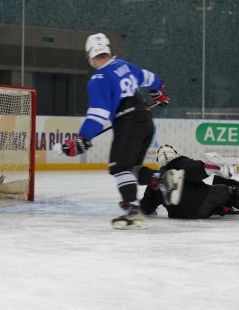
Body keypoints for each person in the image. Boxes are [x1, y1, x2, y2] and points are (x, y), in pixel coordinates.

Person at [59, 33, 185, 230]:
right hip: (145, 121)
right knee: (132, 168)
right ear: (108, 50)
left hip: (128, 123)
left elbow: (97, 115)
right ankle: (161, 179)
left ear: (90, 56)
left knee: (119, 168)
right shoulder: (125, 66)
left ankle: (133, 212)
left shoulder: (99, 78)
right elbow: (150, 78)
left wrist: (82, 138)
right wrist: (158, 92)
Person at [137, 144, 239, 221]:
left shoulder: (154, 181)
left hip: (181, 215)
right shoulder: (178, 162)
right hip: (199, 203)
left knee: (216, 193)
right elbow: (192, 170)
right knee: (228, 188)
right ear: (175, 154)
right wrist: (210, 167)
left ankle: (225, 208)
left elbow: (146, 208)